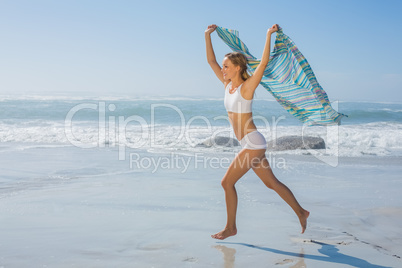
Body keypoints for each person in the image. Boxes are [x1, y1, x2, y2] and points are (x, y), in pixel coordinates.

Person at [205, 24, 310, 240]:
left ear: (237, 67)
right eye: (223, 67)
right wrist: (207, 36)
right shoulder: (227, 85)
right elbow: (211, 61)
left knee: (226, 183)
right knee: (271, 183)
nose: (223, 69)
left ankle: (231, 227)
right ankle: (301, 211)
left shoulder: (247, 87)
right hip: (249, 144)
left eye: (226, 66)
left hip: (253, 143)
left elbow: (263, 63)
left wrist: (268, 35)